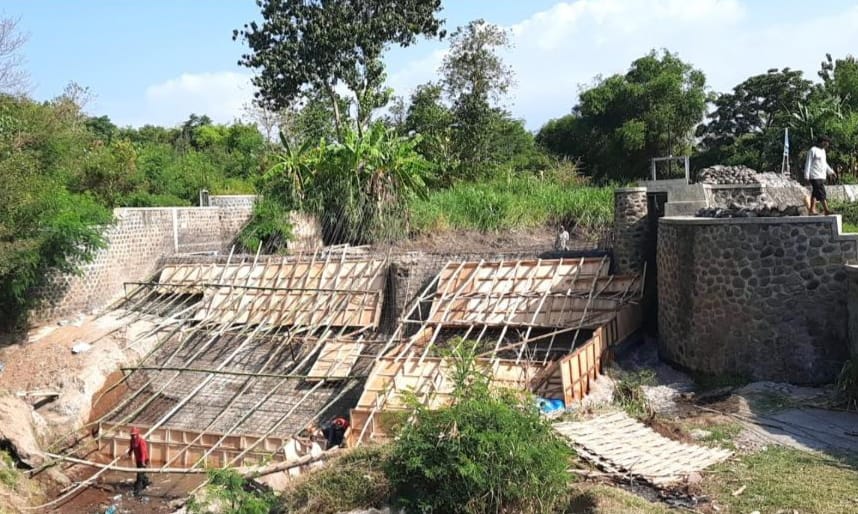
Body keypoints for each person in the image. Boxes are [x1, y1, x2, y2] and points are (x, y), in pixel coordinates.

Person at [805, 136, 837, 215]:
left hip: (821, 175)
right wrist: (806, 175)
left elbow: (824, 164)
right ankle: (826, 210)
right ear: (822, 142)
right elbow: (808, 163)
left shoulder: (823, 151)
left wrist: (831, 172)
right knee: (822, 192)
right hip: (814, 175)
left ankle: (811, 210)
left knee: (815, 193)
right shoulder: (813, 150)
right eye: (827, 142)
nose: (828, 144)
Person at [127, 427, 151, 496]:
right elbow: (132, 447)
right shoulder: (132, 440)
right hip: (138, 459)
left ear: (137, 434)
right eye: (132, 435)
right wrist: (130, 452)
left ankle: (137, 491)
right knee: (140, 473)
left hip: (144, 459)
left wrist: (143, 462)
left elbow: (143, 452)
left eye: (134, 435)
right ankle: (146, 482)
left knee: (140, 476)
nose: (133, 436)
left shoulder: (141, 441)